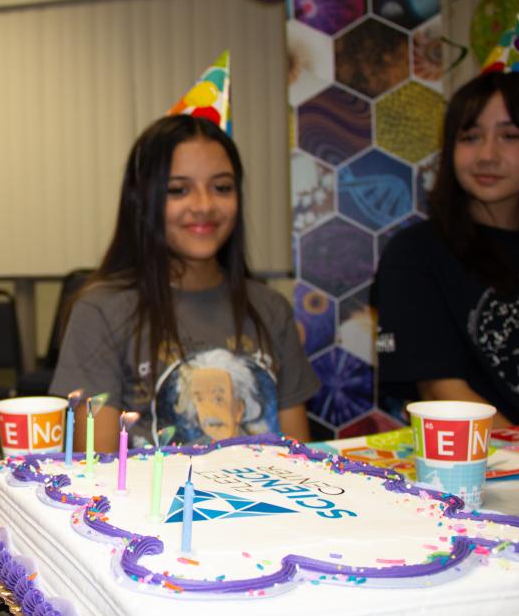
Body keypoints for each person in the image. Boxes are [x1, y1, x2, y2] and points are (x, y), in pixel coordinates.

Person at [50, 115, 319, 452]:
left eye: (222, 187)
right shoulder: (101, 311)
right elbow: (95, 470)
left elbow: (300, 457)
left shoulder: (270, 309)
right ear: (142, 200)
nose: (204, 205)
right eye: (178, 190)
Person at [374, 71, 519, 426]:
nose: (487, 155)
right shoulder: (416, 254)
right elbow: (442, 393)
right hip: (487, 470)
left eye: (510, 136)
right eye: (470, 136)